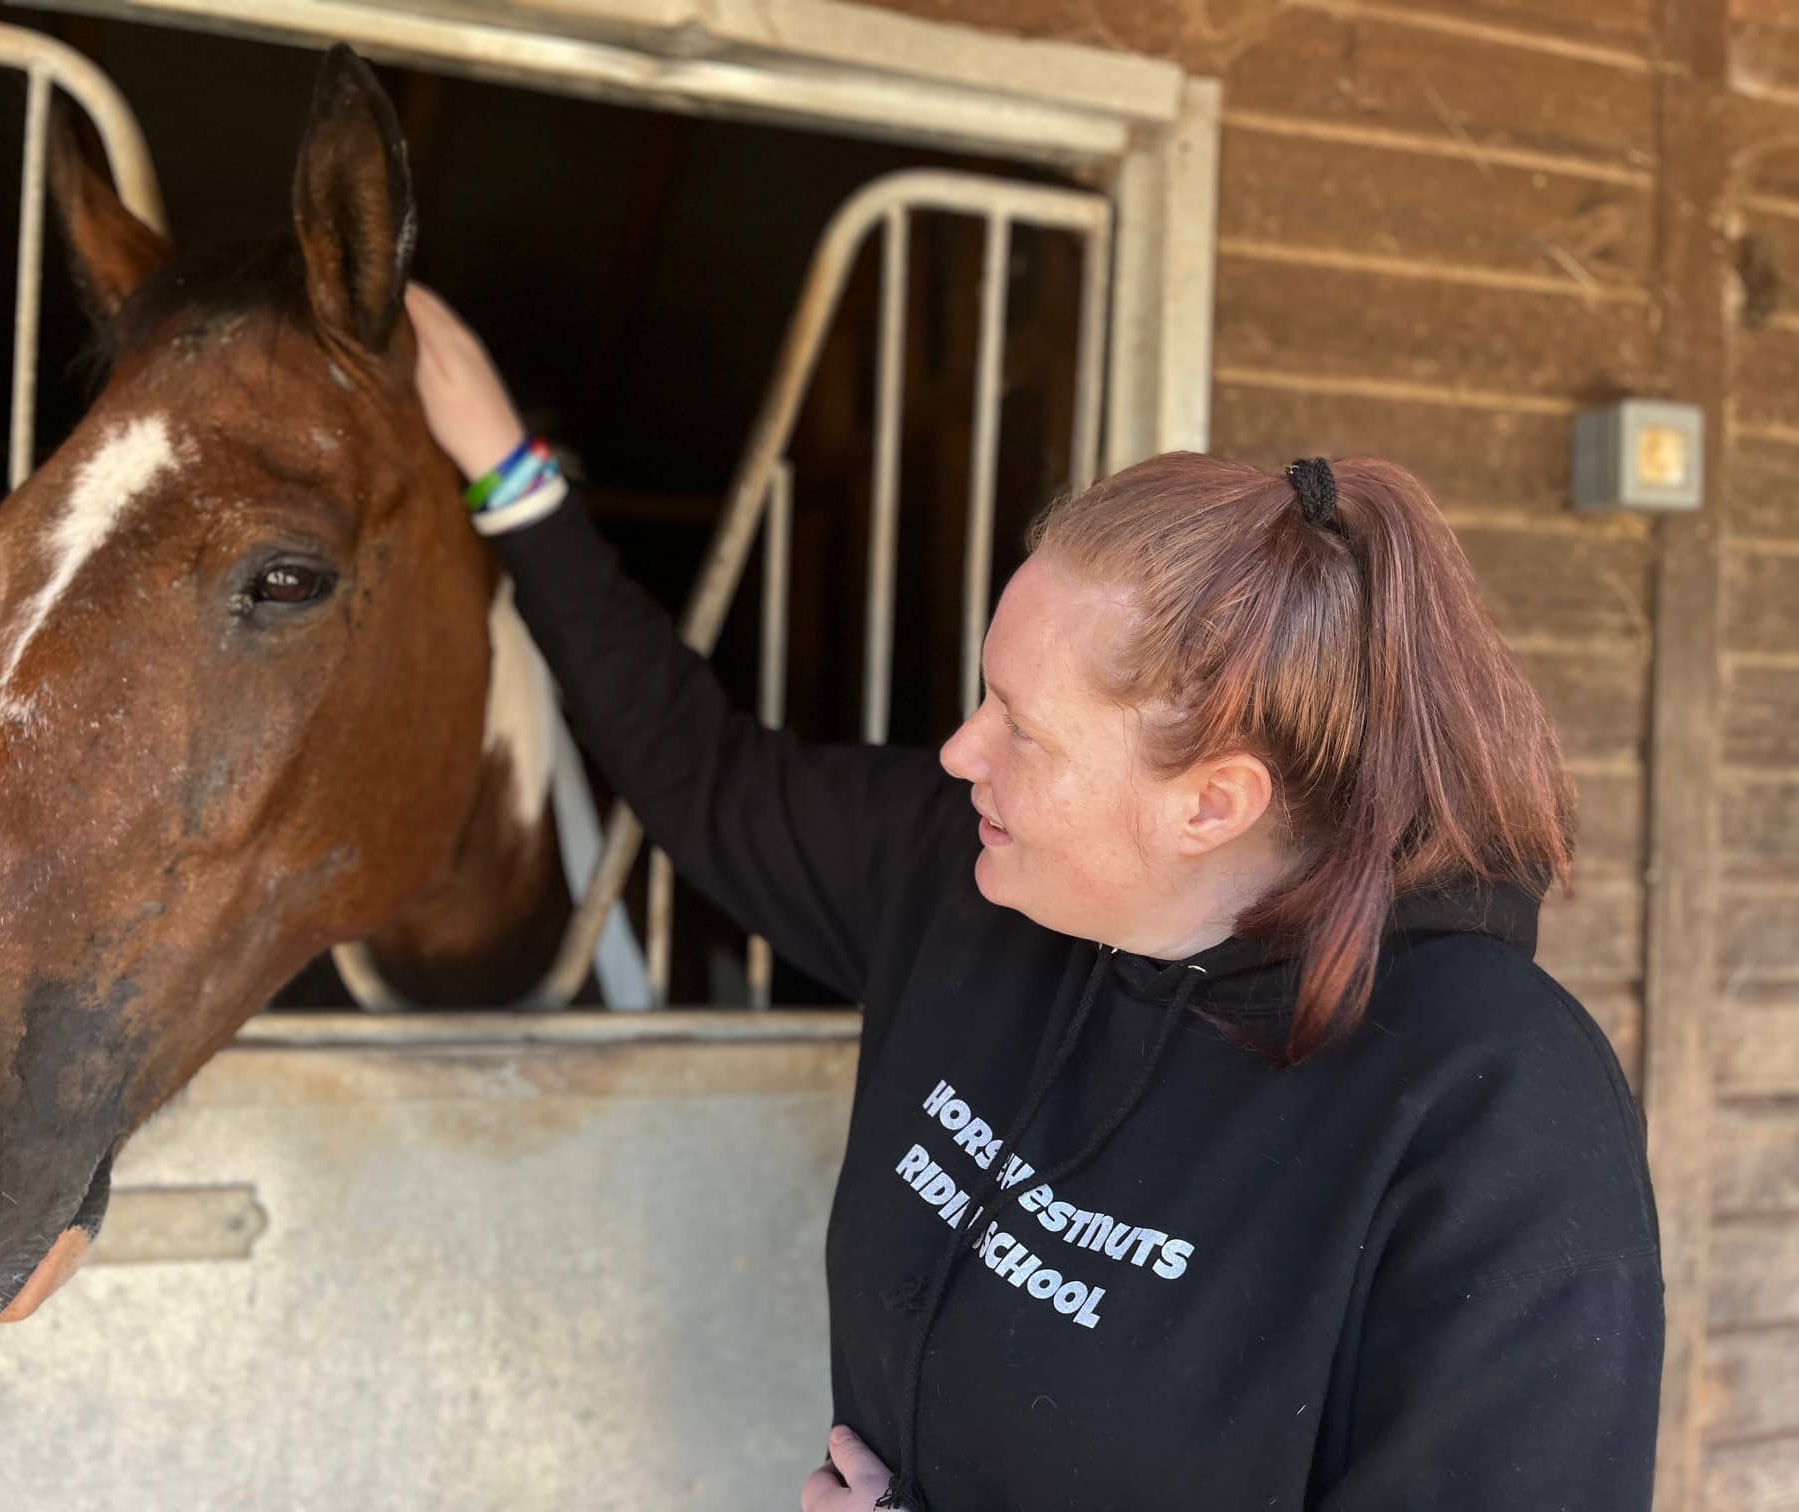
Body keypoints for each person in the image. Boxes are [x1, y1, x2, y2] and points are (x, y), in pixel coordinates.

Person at [404, 282, 1665, 1511]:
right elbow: (704, 775)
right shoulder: (966, 878)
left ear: (1210, 804)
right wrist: (506, 475)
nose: (960, 753)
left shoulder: (1495, 1114)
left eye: (1021, 726)